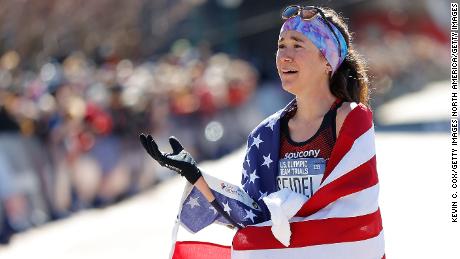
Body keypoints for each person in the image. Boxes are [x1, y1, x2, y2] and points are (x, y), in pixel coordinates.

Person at [141, 5, 384, 259]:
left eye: (297, 45)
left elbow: (356, 218)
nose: (284, 56)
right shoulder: (264, 135)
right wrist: (196, 176)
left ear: (327, 59)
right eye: (281, 46)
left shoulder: (350, 119)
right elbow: (254, 216)